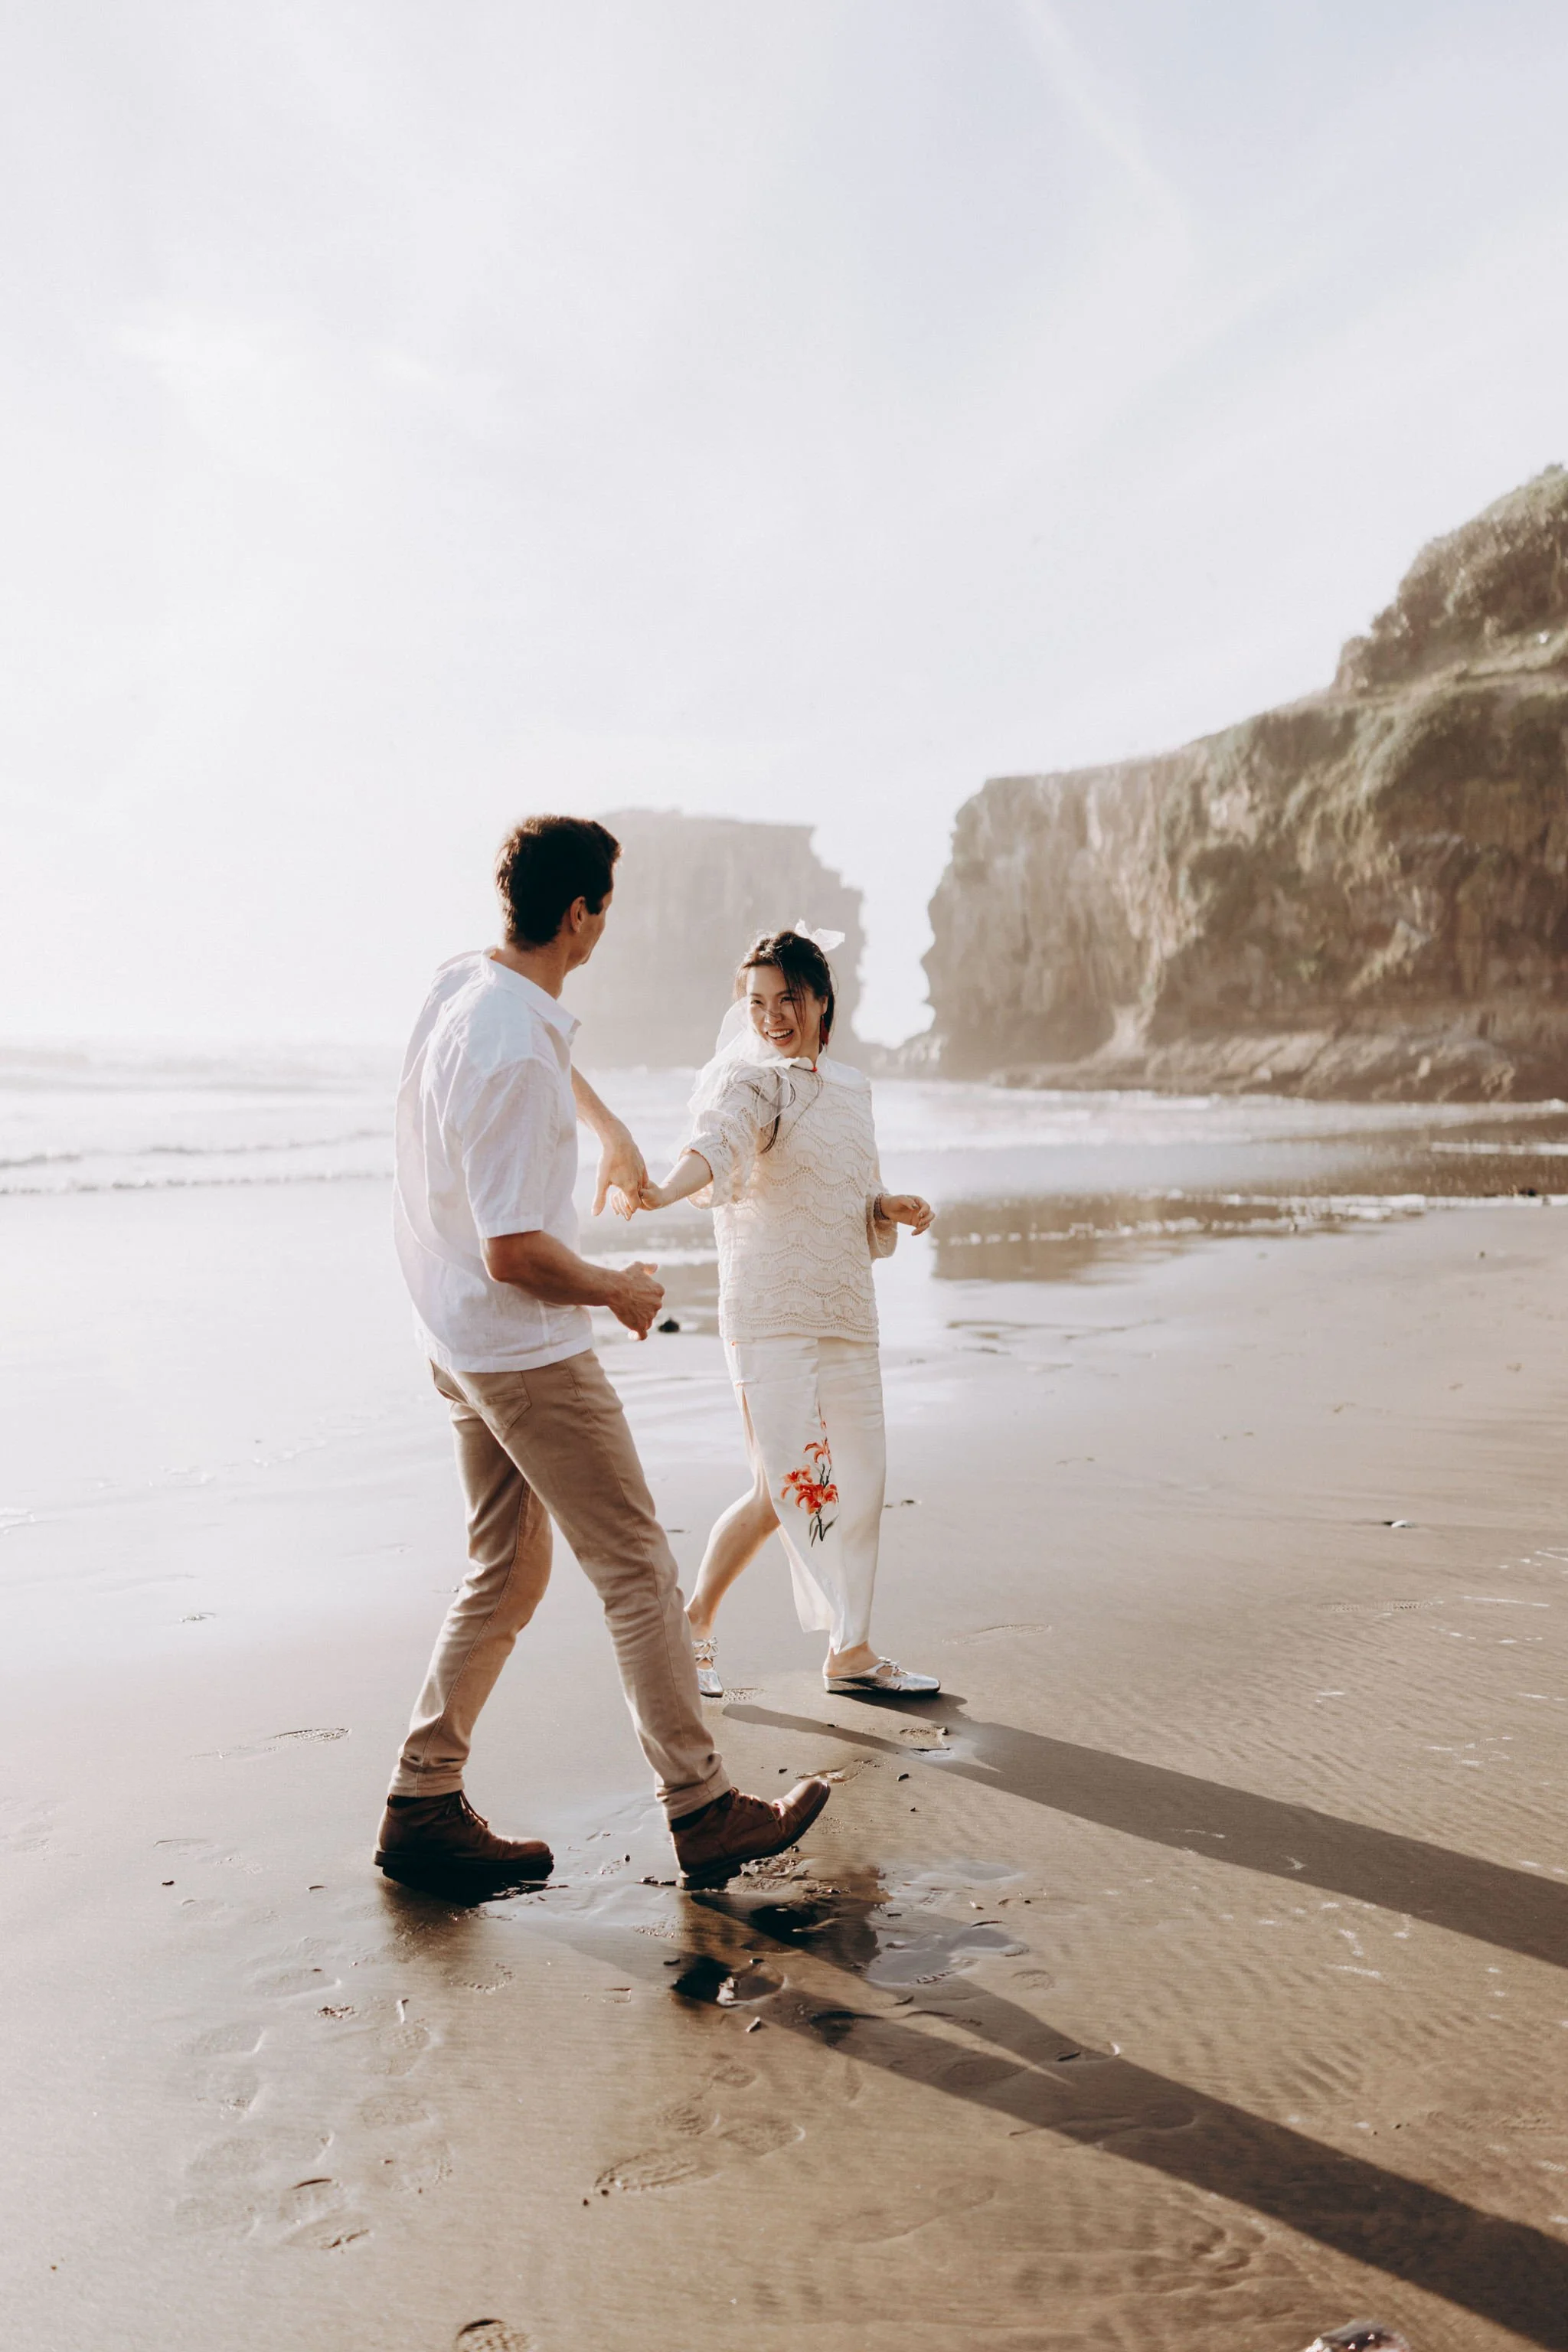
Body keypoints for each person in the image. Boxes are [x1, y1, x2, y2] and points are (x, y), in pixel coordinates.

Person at [377, 818, 830, 1893]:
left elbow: (540, 1059)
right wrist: (618, 1288)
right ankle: (704, 1806)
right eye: (605, 909)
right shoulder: (517, 1048)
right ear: (581, 914)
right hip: (519, 1350)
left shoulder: (467, 988)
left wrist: (612, 1129)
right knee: (636, 1567)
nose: (605, 926)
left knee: (508, 1564)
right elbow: (517, 1251)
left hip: (447, 1332)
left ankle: (422, 1799)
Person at [632, 928, 939, 1700]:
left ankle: (851, 1650)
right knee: (789, 1486)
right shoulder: (750, 1084)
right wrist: (665, 1191)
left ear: (820, 1000)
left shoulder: (852, 1088)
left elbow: (844, 1183)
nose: (771, 1017)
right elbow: (718, 1145)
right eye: (757, 1003)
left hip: (842, 1305)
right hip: (768, 1311)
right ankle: (694, 1621)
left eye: (787, 1000)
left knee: (861, 1481)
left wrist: (884, 1205)